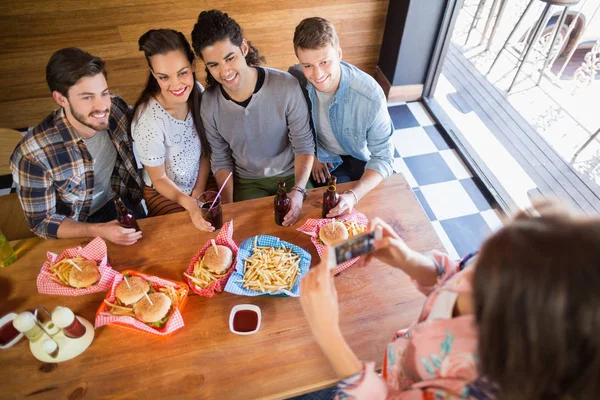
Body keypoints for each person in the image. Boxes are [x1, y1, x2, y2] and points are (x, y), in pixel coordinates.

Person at [300, 203, 600, 399]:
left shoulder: (475, 388)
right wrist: (408, 259)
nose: (471, 272)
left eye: (481, 276)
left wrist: (327, 333)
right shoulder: (501, 271)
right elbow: (456, 271)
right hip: (400, 363)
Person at [191, 10, 315, 226]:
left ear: (244, 48)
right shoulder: (209, 103)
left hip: (291, 174)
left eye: (230, 58)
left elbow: (304, 145)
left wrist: (298, 190)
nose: (224, 71)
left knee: (309, 227)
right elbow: (220, 159)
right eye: (213, 65)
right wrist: (228, 207)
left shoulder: (286, 86)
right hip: (247, 182)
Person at [10, 48, 144, 246]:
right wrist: (99, 231)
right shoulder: (31, 156)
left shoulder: (115, 108)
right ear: (61, 99)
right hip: (73, 225)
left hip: (117, 200)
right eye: (87, 97)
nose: (101, 106)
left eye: (104, 93)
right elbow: (42, 222)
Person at [289, 17, 395, 217]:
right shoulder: (296, 80)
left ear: (338, 54)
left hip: (362, 157)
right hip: (327, 161)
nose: (317, 74)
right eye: (308, 65)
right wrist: (314, 153)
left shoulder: (370, 95)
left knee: (381, 212)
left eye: (324, 62)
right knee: (327, 214)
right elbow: (293, 128)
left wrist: (353, 196)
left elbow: (384, 157)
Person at [131, 29, 215, 232]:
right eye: (164, 77)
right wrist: (189, 203)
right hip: (164, 192)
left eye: (183, 73)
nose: (176, 84)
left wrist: (198, 191)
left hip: (199, 180)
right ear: (153, 74)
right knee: (185, 233)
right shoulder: (148, 120)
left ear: (193, 65)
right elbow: (159, 179)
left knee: (223, 217)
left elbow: (205, 150)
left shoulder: (197, 90)